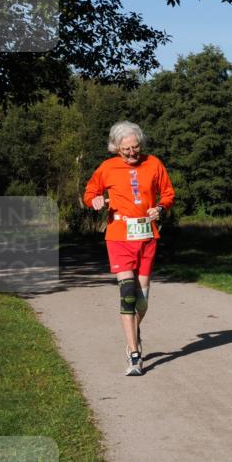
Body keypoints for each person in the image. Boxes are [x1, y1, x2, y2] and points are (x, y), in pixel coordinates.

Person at [83, 122, 175, 376]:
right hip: (119, 235)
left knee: (142, 303)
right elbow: (90, 192)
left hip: (146, 236)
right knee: (127, 294)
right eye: (126, 150)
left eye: (136, 148)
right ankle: (134, 355)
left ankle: (133, 331)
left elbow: (168, 193)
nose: (133, 153)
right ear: (116, 148)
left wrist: (160, 208)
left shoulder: (153, 163)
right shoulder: (107, 167)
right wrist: (95, 200)